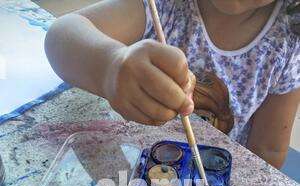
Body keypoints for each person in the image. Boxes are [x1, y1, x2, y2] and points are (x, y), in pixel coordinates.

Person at [45, 0, 300, 169]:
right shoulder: (162, 5)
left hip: (210, 181)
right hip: (134, 171)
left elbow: (268, 149)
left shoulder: (288, 43)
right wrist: (110, 66)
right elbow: (61, 34)